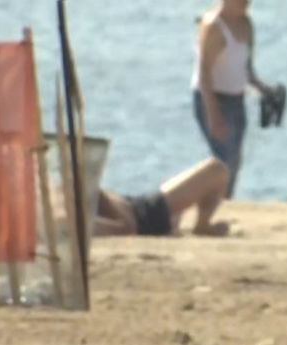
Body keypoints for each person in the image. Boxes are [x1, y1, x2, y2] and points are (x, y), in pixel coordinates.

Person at [192, 0, 275, 198]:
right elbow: (204, 75)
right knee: (223, 160)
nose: (246, 3)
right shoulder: (213, 26)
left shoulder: (246, 24)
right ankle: (203, 201)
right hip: (212, 98)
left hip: (236, 100)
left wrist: (264, 90)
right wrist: (213, 115)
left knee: (234, 162)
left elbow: (246, 69)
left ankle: (224, 203)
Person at [94, 158, 230, 237]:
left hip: (138, 206)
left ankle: (190, 222)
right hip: (146, 216)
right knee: (216, 170)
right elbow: (126, 228)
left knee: (216, 169)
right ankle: (202, 225)